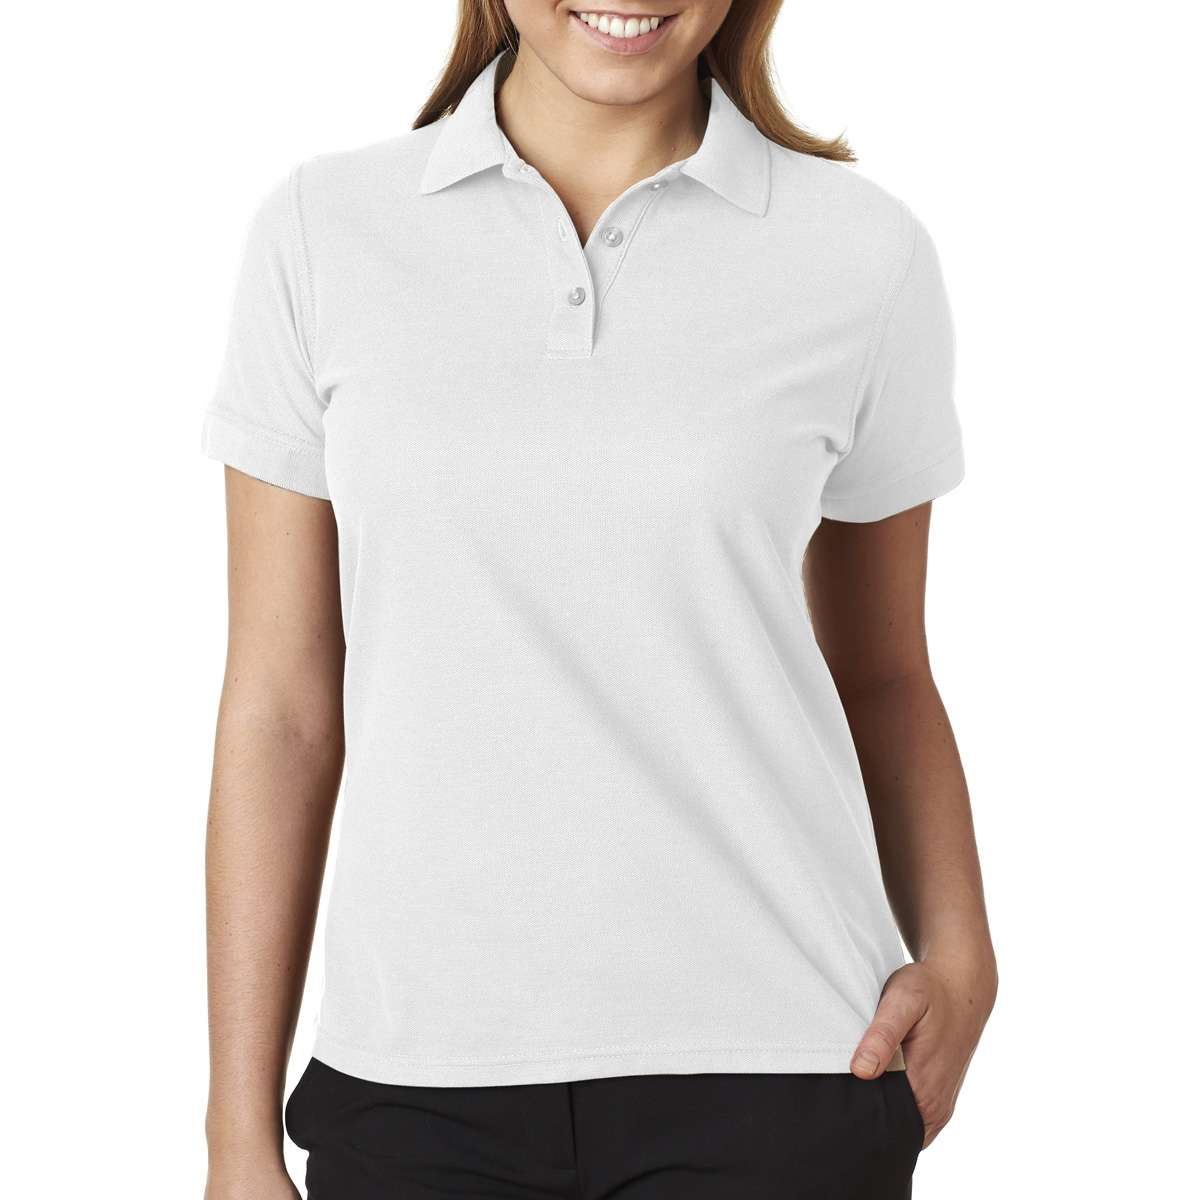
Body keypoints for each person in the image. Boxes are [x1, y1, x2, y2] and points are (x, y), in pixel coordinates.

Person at [201, 3, 997, 1197]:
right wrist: (235, 1132)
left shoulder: (860, 252)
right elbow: (281, 710)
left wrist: (966, 958)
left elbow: (883, 674)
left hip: (778, 1065)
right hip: (416, 1076)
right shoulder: (325, 232)